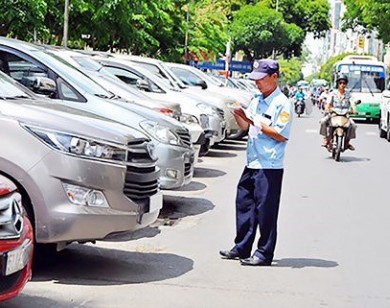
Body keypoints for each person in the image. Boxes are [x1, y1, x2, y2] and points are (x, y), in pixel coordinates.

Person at [219, 59, 293, 266]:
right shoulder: (256, 100)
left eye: (261, 79)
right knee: (244, 204)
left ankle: (264, 253)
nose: (257, 83)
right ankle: (242, 246)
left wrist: (255, 122)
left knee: (266, 211)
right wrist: (239, 115)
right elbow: (246, 126)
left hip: (269, 165)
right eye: (255, 79)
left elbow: (281, 134)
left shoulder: (283, 103)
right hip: (252, 161)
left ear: (274, 77)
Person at [319, 73, 357, 150]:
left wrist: (354, 110)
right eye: (340, 83)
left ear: (346, 84)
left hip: (345, 115)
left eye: (344, 83)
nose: (342, 85)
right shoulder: (333, 93)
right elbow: (328, 103)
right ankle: (326, 139)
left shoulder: (348, 94)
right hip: (334, 113)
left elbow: (352, 103)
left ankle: (347, 142)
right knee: (323, 121)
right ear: (338, 84)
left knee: (353, 125)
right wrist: (327, 108)